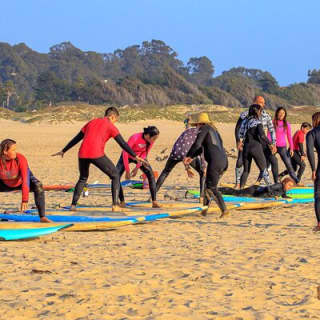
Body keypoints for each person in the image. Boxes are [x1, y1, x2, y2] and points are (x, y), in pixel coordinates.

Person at [52, 107, 144, 212]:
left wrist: (64, 150)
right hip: (96, 154)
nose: (115, 123)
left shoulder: (91, 122)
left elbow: (77, 138)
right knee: (115, 175)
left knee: (83, 178)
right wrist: (134, 156)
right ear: (112, 116)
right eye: (115, 120)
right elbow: (122, 143)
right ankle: (115, 205)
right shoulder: (111, 126)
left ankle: (73, 205)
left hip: (82, 154)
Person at [184, 113, 228, 217]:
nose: (196, 128)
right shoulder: (214, 131)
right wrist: (191, 157)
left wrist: (188, 155)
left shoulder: (203, 128)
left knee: (211, 187)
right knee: (207, 186)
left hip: (215, 162)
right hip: (224, 161)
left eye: (196, 125)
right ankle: (204, 210)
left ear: (200, 123)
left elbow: (197, 144)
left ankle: (224, 210)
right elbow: (201, 148)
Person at [0, 139, 51, 222]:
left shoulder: (20, 158)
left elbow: (25, 180)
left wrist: (24, 200)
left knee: (38, 185)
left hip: (20, 182)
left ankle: (42, 217)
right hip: (4, 183)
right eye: (13, 150)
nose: (15, 152)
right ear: (5, 151)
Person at [235, 96, 278, 187]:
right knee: (263, 169)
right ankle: (271, 189)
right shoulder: (258, 122)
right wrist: (270, 144)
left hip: (246, 146)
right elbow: (262, 135)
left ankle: (241, 189)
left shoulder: (246, 122)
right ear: (257, 111)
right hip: (256, 146)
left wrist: (241, 141)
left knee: (246, 170)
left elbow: (241, 133)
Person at [156, 124, 206, 202]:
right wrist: (203, 165)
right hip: (187, 155)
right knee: (202, 173)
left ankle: (152, 196)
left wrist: (187, 167)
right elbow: (200, 150)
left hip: (175, 152)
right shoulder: (202, 134)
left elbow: (181, 145)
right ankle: (202, 197)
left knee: (165, 172)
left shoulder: (188, 130)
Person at [116, 126, 161, 208]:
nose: (154, 141)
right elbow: (125, 153)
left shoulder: (151, 141)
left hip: (140, 157)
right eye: (154, 138)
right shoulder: (135, 137)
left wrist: (137, 167)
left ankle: (154, 202)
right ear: (147, 135)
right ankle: (122, 202)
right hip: (127, 156)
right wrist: (127, 170)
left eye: (156, 139)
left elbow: (144, 154)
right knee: (116, 177)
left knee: (151, 175)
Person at [268, 107, 299, 183]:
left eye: (283, 113)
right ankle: (276, 182)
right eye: (280, 112)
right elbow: (269, 135)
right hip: (273, 147)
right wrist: (271, 146)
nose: (281, 114)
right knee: (269, 165)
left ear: (285, 114)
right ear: (277, 113)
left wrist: (291, 148)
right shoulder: (272, 122)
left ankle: (297, 181)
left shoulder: (287, 124)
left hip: (283, 147)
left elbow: (289, 137)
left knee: (289, 165)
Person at [219, 177, 295, 199]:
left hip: (256, 193)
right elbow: (267, 188)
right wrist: (273, 195)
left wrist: (289, 198)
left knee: (236, 193)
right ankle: (219, 190)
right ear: (284, 183)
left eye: (291, 186)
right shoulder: (279, 185)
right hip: (254, 191)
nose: (290, 188)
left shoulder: (284, 189)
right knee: (236, 193)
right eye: (289, 185)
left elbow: (283, 195)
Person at [306, 112, 320, 231]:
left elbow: (310, 152)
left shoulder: (312, 133)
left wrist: (313, 169)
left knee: (318, 196)